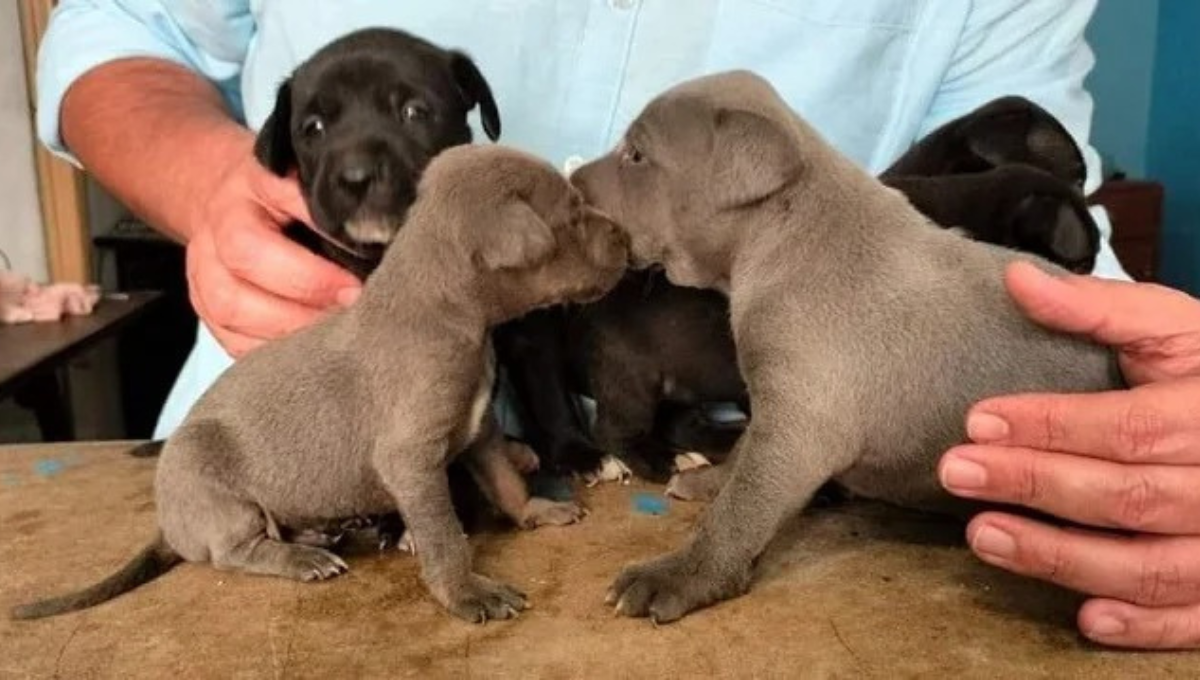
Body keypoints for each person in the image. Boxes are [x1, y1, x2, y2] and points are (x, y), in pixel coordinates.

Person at [36, 0, 1198, 649]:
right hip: (284, 431)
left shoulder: (820, 270)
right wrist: (203, 180)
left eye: (635, 162)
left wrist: (1157, 414)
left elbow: (1035, 198)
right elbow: (114, 33)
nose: (592, 185)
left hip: (789, 483)